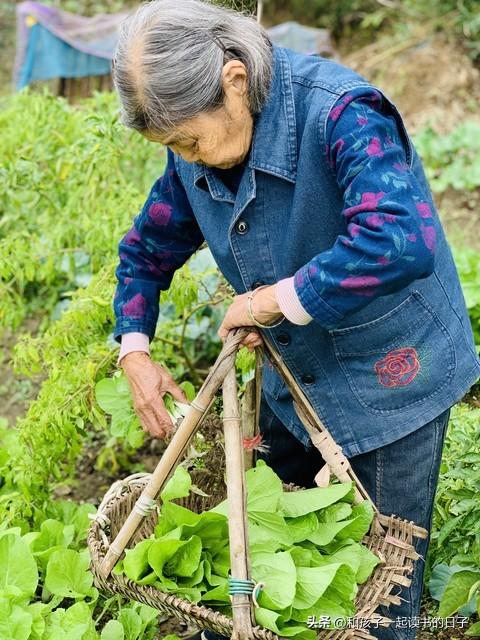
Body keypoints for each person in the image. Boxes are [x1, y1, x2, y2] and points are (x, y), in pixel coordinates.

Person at [110, 1, 480, 638]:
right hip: (294, 377)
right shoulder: (196, 150)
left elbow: (398, 239)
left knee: (382, 583)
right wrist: (134, 350)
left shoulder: (341, 113)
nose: (188, 159)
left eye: (192, 141)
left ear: (232, 80)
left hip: (390, 379)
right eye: (173, 148)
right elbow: (147, 247)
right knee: (289, 547)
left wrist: (273, 300)